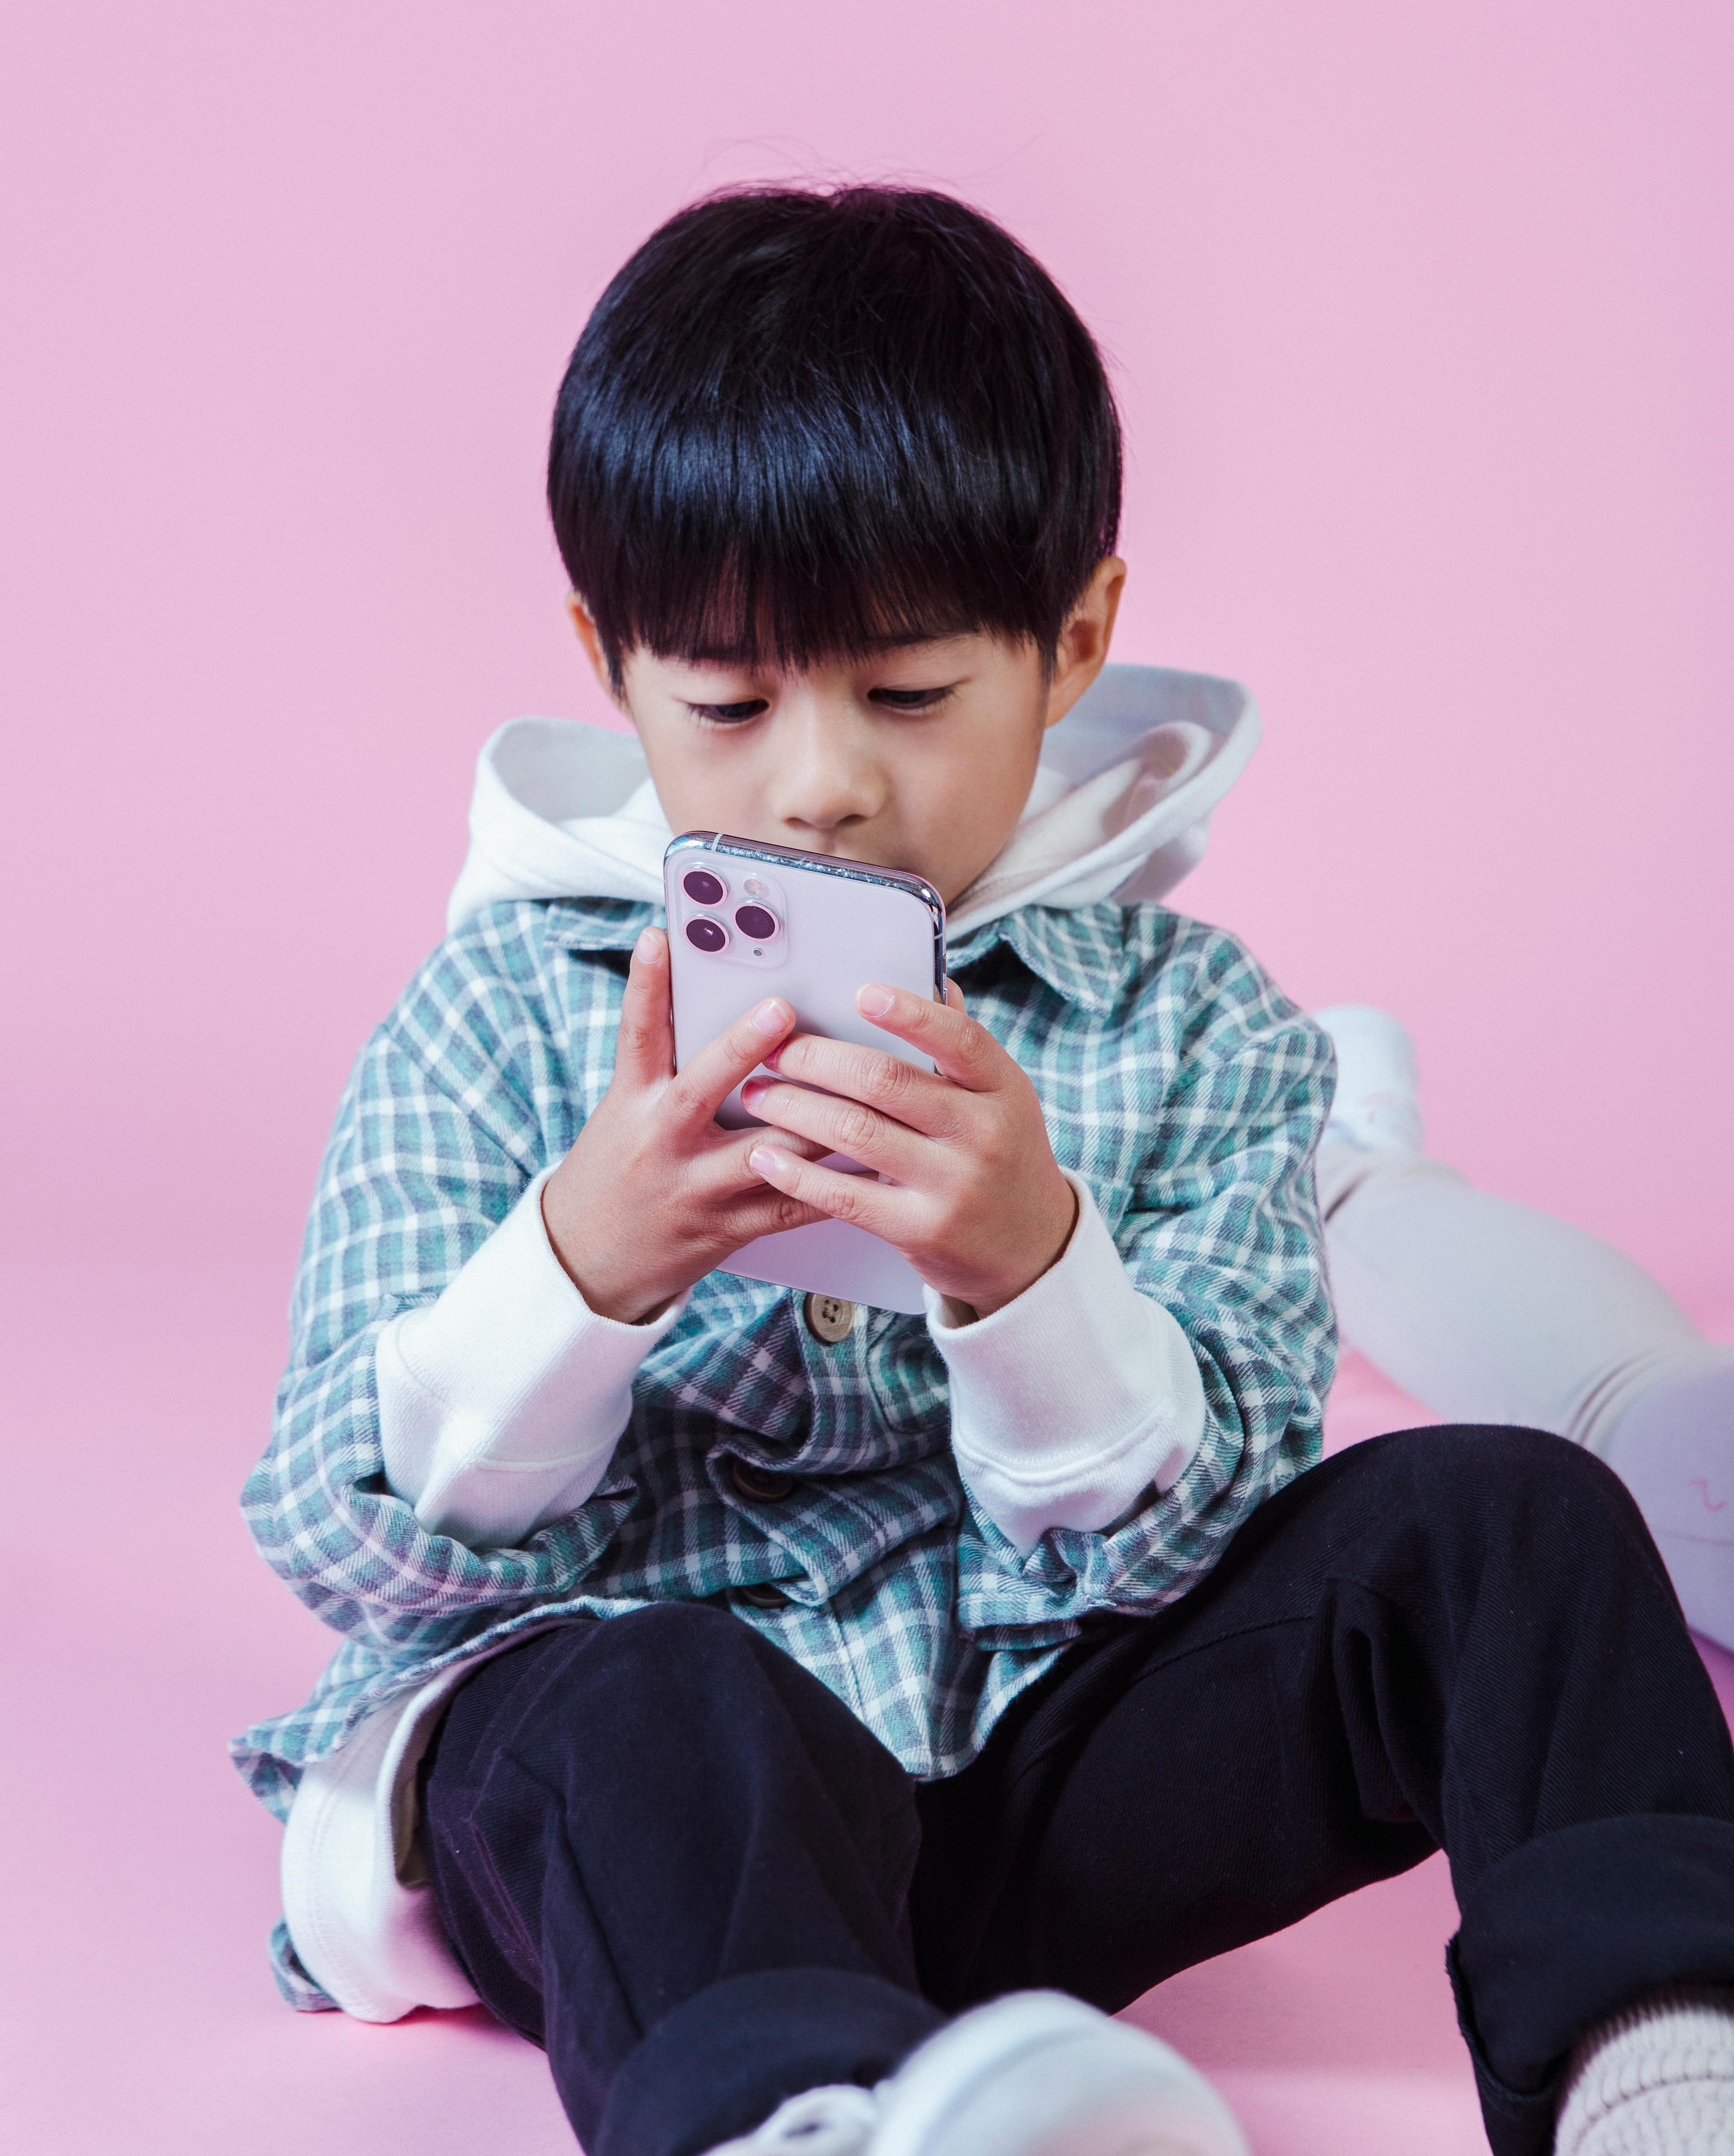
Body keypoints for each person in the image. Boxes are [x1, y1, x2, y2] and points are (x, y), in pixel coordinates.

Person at [235, 187, 1734, 2156]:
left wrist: (1035, 1281)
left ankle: (1666, 2078)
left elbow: (1208, 1541)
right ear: (612, 672)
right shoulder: (497, 1016)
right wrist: (579, 1273)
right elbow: (351, 1549)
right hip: (671, 1838)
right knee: (655, 1698)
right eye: (730, 703)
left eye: (913, 695)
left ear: (1075, 646)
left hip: (1033, 1793)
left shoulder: (1194, 1030)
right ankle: (814, 2126)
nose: (823, 783)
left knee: (1511, 1519)